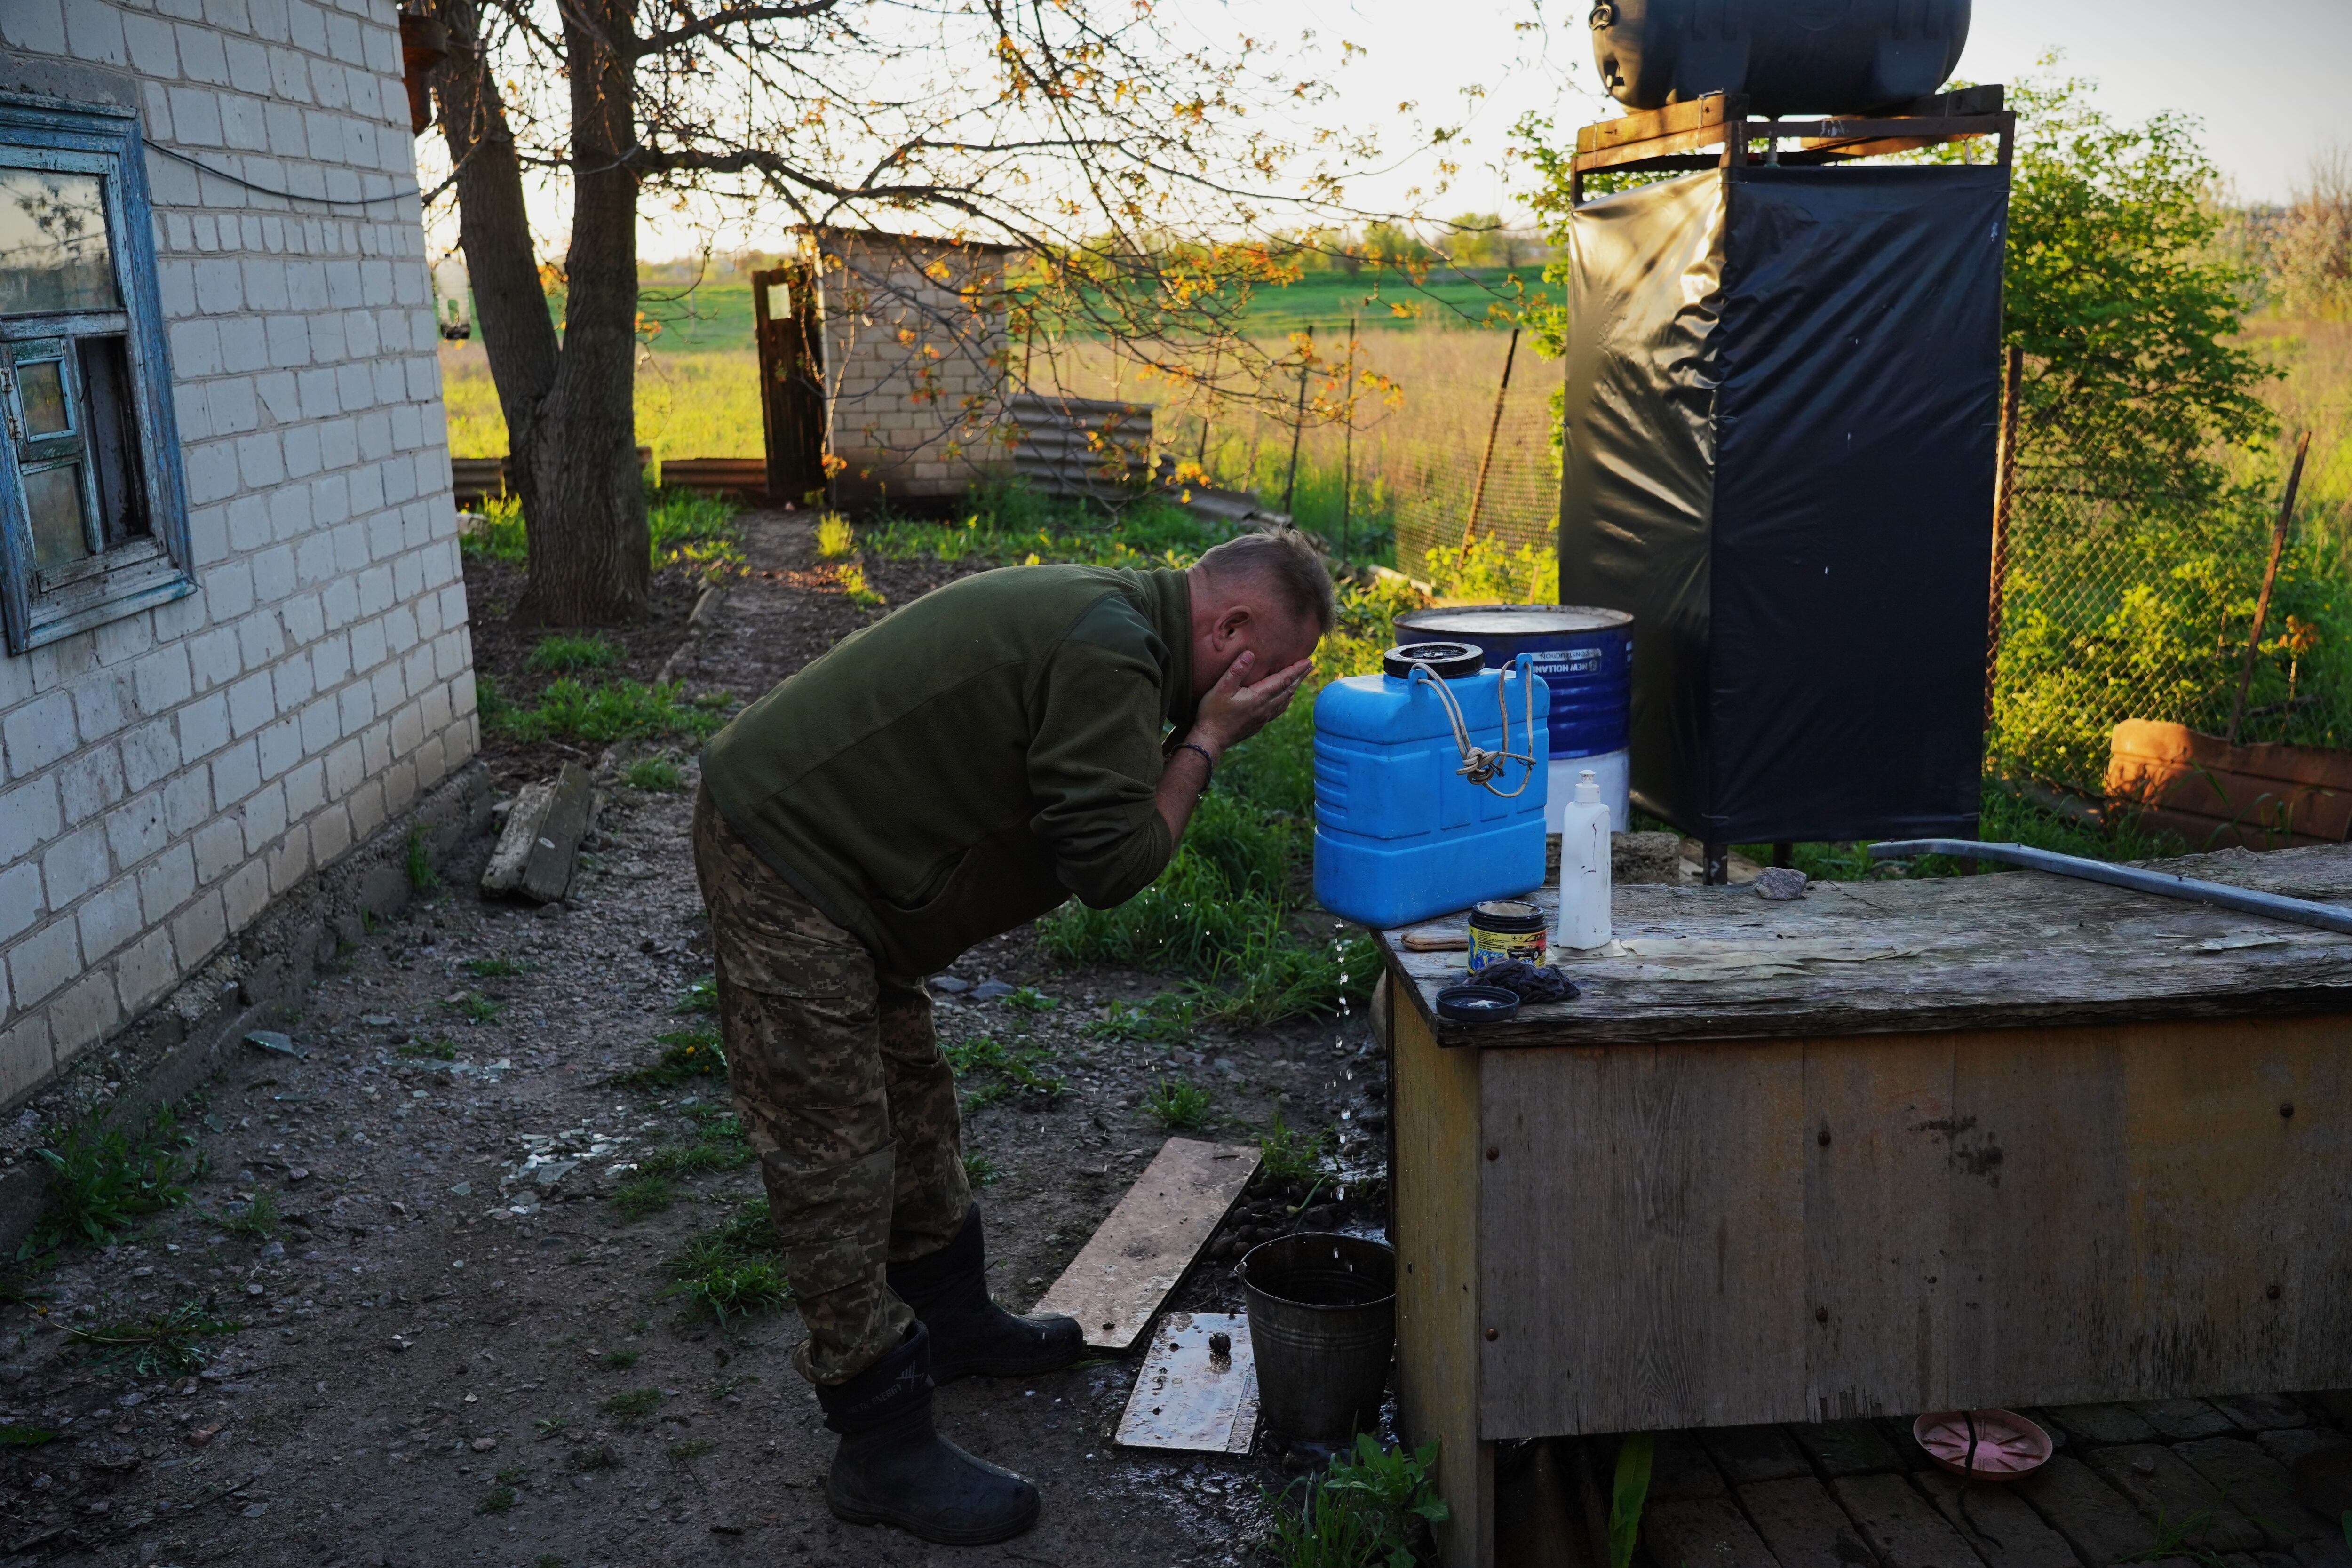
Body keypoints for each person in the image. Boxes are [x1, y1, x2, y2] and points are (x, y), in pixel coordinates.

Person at [692, 529, 1335, 1544]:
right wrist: (1203, 740)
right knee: (833, 1151)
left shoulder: (1121, 624)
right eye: (1274, 675)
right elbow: (1112, 864)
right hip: (791, 853)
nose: (1271, 697)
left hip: (856, 872)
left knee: (912, 1090)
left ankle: (950, 1321)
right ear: (1234, 629)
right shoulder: (1113, 649)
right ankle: (881, 1444)